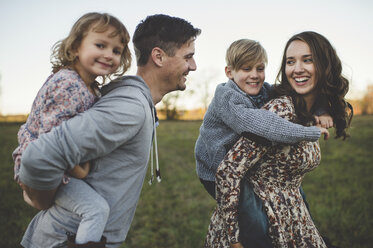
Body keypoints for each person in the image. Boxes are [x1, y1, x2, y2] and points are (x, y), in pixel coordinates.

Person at [18, 14, 201, 248]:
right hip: (66, 241)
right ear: (158, 56)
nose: (193, 66)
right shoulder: (131, 107)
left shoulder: (135, 101)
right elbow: (39, 155)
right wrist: (40, 199)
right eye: (189, 57)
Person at [205, 31, 353, 248]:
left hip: (293, 215)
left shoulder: (306, 111)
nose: (297, 68)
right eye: (290, 61)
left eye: (307, 60)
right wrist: (234, 239)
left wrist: (321, 110)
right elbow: (229, 170)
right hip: (260, 220)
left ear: (325, 64)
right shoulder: (278, 111)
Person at [12, 12, 131, 246]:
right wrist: (81, 171)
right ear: (76, 47)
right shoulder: (67, 83)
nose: (109, 55)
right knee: (95, 209)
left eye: (116, 51)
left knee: (61, 212)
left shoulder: (90, 86)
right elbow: (51, 143)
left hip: (57, 167)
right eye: (100, 45)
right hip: (44, 168)